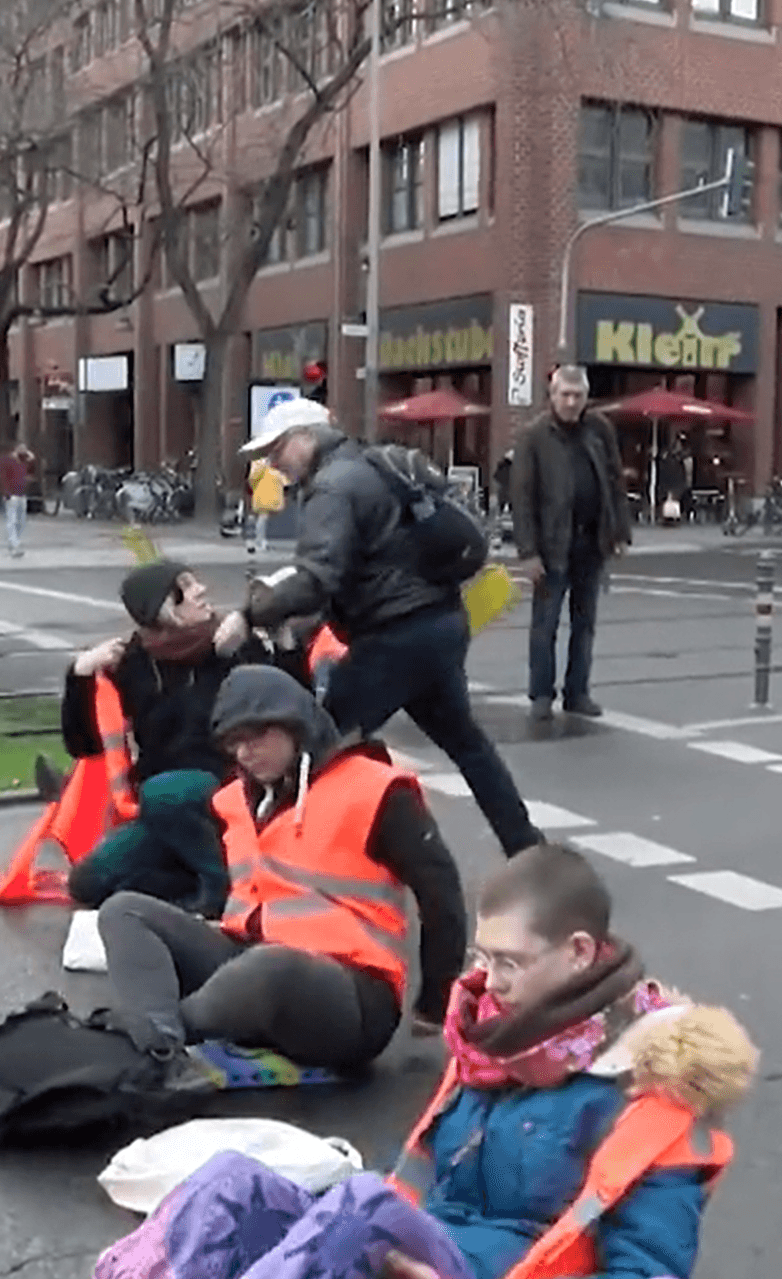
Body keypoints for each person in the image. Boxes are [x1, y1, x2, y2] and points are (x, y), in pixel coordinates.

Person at [94, 842, 758, 1279]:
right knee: (230, 1183)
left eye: (510, 962)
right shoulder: (504, 1043)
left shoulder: (652, 1089)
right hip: (422, 1250)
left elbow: (648, 1269)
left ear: (579, 952)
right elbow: (420, 1183)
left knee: (358, 1203)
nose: (488, 981)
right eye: (484, 956)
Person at [94, 664, 466, 1081]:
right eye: (234, 742)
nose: (244, 753)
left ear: (297, 726)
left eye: (256, 735)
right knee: (123, 911)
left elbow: (441, 894)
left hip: (352, 994)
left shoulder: (375, 789)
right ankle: (159, 1041)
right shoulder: (234, 799)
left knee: (272, 966)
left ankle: (149, 1044)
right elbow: (243, 890)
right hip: (250, 962)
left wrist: (435, 1002)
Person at [239, 397, 543, 859]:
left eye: (277, 449)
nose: (272, 463)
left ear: (304, 438)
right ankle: (526, 849)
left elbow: (318, 574)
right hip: (438, 623)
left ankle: (289, 855)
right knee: (468, 745)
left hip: (393, 636)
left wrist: (249, 615)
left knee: (316, 741)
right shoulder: (370, 463)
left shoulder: (332, 487)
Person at [58, 560, 283, 915]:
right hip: (162, 808)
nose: (201, 591)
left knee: (167, 792)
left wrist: (257, 646)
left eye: (196, 583)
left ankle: (220, 889)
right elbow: (84, 745)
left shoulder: (233, 643)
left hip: (230, 790)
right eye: (186, 588)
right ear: (162, 609)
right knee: (87, 883)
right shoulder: (133, 661)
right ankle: (193, 875)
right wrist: (80, 676)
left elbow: (288, 707)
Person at [511, 366, 634, 722]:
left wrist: (618, 532)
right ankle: (540, 694)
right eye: (564, 395)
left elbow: (613, 481)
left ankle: (577, 692)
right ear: (552, 396)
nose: (571, 402)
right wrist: (528, 552)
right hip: (552, 547)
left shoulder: (599, 429)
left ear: (585, 397)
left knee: (585, 624)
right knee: (545, 625)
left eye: (577, 395)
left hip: (590, 542)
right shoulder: (534, 435)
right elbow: (523, 497)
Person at [0, 443, 34, 557]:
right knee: (12, 520)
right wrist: (6, 492)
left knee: (21, 520)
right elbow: (3, 477)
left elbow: (32, 470)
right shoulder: (9, 461)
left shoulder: (24, 462)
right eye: (21, 450)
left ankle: (15, 540)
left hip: (22, 494)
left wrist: (31, 459)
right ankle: (14, 542)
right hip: (12, 495)